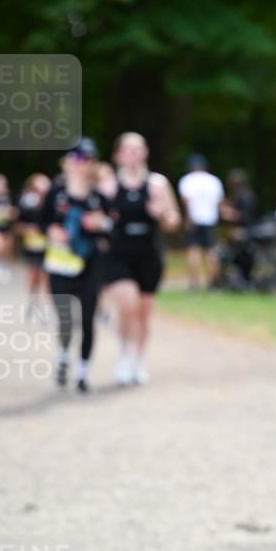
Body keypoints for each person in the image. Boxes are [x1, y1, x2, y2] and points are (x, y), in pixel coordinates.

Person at [102, 131, 181, 386]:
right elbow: (96, 219)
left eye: (137, 149)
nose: (132, 154)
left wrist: (161, 212)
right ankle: (124, 354)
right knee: (127, 305)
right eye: (127, 149)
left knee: (143, 313)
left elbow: (174, 221)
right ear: (118, 155)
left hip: (148, 255)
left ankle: (137, 359)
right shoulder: (109, 185)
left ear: (145, 154)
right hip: (119, 255)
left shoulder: (158, 184)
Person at [41, 138, 112, 393]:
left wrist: (101, 225)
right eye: (79, 158)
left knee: (88, 319)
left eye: (88, 160)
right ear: (68, 162)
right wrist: (51, 231)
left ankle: (83, 372)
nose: (83, 164)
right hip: (60, 264)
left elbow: (110, 231)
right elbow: (41, 222)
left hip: (90, 264)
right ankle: (63, 356)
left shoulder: (98, 197)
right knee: (66, 318)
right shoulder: (56, 193)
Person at [177, 154, 224, 290]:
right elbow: (219, 202)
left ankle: (194, 283)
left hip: (194, 219)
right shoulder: (214, 180)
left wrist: (188, 217)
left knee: (193, 251)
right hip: (210, 219)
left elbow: (186, 201)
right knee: (211, 251)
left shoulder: (187, 180)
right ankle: (212, 283)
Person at [16, 173, 51, 318]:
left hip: (49, 246)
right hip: (31, 246)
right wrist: (27, 229)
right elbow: (17, 225)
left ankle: (47, 309)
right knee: (33, 275)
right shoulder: (25, 203)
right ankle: (33, 302)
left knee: (46, 276)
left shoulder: (53, 203)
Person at [219, 168, 258, 286]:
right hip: (248, 231)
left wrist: (227, 213)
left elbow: (243, 216)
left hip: (246, 231)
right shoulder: (247, 195)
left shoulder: (243, 196)